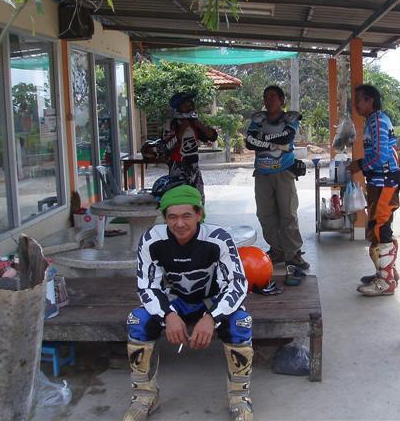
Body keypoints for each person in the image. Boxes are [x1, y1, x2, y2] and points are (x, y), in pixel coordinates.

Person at [122, 185, 254, 421]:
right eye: (172, 217)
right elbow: (147, 286)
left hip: (211, 301)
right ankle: (145, 396)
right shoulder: (152, 239)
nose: (179, 224)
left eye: (187, 216)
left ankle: (239, 397)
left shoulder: (219, 239)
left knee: (241, 322)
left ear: (199, 214)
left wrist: (212, 318)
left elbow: (237, 284)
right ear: (164, 218)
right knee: (137, 320)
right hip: (175, 302)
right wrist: (168, 316)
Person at [245, 85, 309, 271]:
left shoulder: (291, 118)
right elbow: (249, 142)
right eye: (266, 97)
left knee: (288, 214)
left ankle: (293, 253)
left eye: (273, 96)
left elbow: (286, 138)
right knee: (265, 214)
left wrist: (263, 139)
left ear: (281, 100)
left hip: (284, 172)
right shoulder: (258, 119)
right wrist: (272, 141)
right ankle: (277, 249)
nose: (269, 100)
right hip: (262, 173)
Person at [348, 84, 400, 296]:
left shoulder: (377, 121)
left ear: (370, 101)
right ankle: (387, 272)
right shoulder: (373, 121)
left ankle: (386, 281)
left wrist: (360, 164)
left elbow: (381, 155)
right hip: (379, 182)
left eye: (358, 100)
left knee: (380, 228)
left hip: (384, 183)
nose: (355, 105)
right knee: (381, 227)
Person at [141, 92, 217, 202]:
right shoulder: (171, 124)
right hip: (178, 168)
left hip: (194, 168)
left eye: (190, 103)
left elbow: (212, 136)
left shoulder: (194, 123)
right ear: (178, 107)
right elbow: (165, 147)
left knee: (198, 201)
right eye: (186, 104)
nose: (190, 106)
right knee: (180, 199)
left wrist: (198, 124)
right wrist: (183, 128)